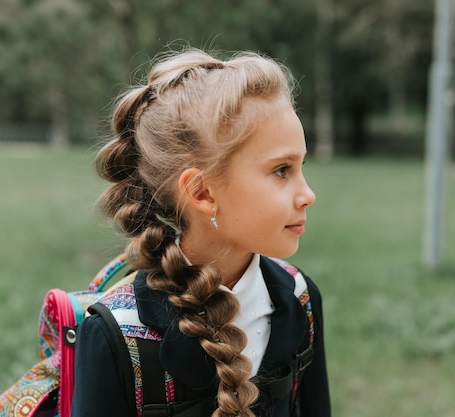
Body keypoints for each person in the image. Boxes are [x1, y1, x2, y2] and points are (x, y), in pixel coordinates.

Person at [71, 48, 330, 417]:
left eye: (301, 166)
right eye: (281, 170)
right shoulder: (117, 334)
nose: (308, 195)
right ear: (203, 193)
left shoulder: (301, 300)